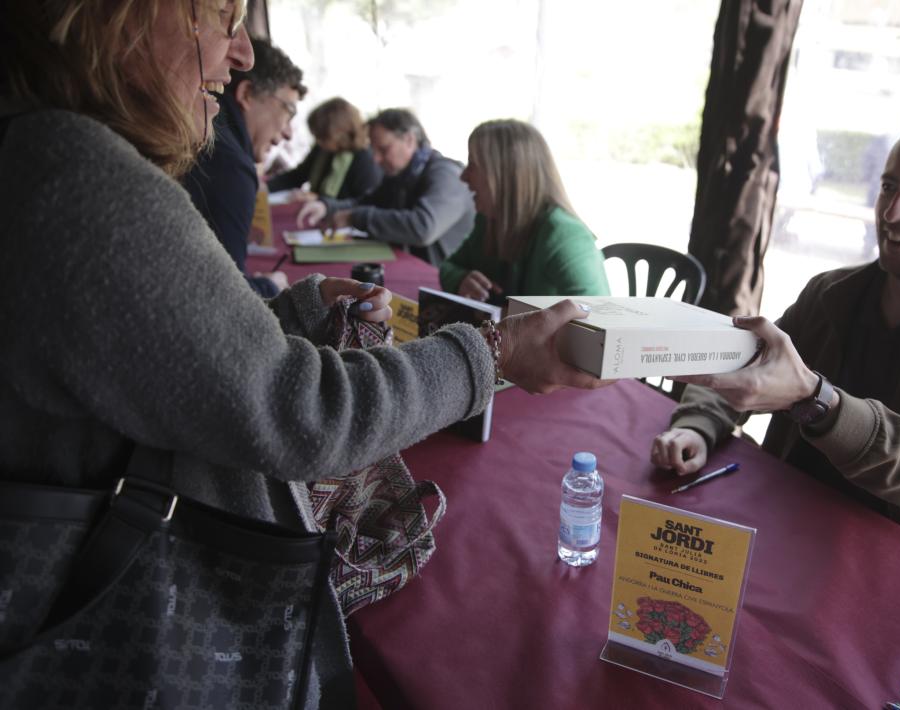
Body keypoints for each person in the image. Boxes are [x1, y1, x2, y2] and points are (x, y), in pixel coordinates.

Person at [0, 2, 603, 707]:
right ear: (113, 16)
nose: (243, 53)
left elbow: (154, 356)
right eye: (222, 15)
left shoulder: (37, 154)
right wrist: (489, 356)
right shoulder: (74, 176)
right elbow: (306, 415)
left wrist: (292, 313)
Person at [651, 122, 900, 566]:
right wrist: (697, 424)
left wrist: (817, 400)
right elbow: (745, 364)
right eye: (888, 186)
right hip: (789, 525)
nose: (892, 212)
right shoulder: (831, 293)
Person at [182, 37, 306, 297]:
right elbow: (228, 298)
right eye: (288, 111)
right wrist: (270, 285)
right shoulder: (232, 166)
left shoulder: (210, 134)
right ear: (247, 94)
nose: (288, 133)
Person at [437, 119, 610, 303]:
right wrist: (460, 280)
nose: (463, 177)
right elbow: (448, 267)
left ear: (505, 174)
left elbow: (600, 315)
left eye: (473, 165)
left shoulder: (564, 236)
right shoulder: (489, 221)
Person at [296, 108, 475, 266]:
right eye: (374, 150)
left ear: (409, 140)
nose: (376, 159)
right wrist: (326, 206)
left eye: (383, 149)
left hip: (443, 284)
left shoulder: (447, 175)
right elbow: (368, 201)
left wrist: (355, 217)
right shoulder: (401, 173)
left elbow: (422, 227)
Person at [266, 97, 383, 202]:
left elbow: (360, 204)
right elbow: (298, 176)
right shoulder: (323, 149)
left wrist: (319, 200)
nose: (318, 141)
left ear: (339, 135)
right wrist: (267, 186)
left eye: (321, 137)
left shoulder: (365, 162)